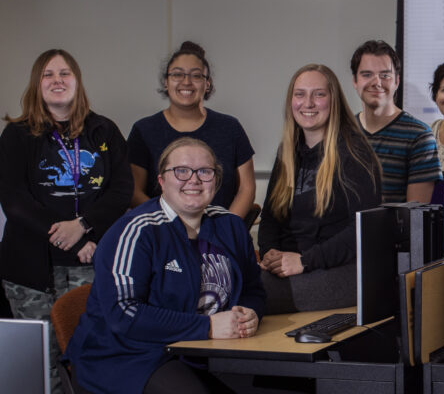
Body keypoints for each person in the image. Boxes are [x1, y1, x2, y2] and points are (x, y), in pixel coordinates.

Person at [65, 137, 265, 394]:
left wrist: (250, 314)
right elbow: (122, 312)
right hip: (128, 354)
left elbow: (254, 289)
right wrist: (209, 326)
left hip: (203, 349)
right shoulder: (135, 231)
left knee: (285, 386)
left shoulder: (231, 226)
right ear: (161, 181)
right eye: (181, 171)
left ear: (216, 180)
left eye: (205, 171)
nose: (193, 180)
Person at [0, 49, 132, 392]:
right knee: (41, 366)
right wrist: (73, 235)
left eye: (65, 73)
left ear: (77, 81)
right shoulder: (16, 135)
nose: (57, 80)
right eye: (48, 74)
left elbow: (121, 192)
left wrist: (85, 226)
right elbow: (14, 201)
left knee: (90, 355)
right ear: (36, 84)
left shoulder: (104, 131)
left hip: (92, 261)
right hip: (31, 269)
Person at [258, 64, 382, 313]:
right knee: (226, 280)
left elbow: (360, 230)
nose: (308, 103)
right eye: (300, 94)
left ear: (333, 101)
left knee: (249, 293)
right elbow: (272, 217)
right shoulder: (288, 152)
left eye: (319, 94)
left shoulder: (355, 154)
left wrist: (304, 261)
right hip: (294, 265)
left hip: (339, 271)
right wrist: (270, 252)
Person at [127, 41, 256, 217]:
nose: (186, 82)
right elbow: (134, 191)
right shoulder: (143, 130)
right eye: (177, 74)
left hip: (219, 235)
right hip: (163, 234)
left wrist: (227, 229)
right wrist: (170, 225)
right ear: (166, 82)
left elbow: (246, 189)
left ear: (207, 83)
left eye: (196, 76)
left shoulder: (230, 128)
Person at [350, 40, 442, 203]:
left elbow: (415, 217)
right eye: (367, 74)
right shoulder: (341, 130)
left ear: (396, 82)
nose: (376, 82)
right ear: (355, 81)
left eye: (385, 75)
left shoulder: (419, 136)